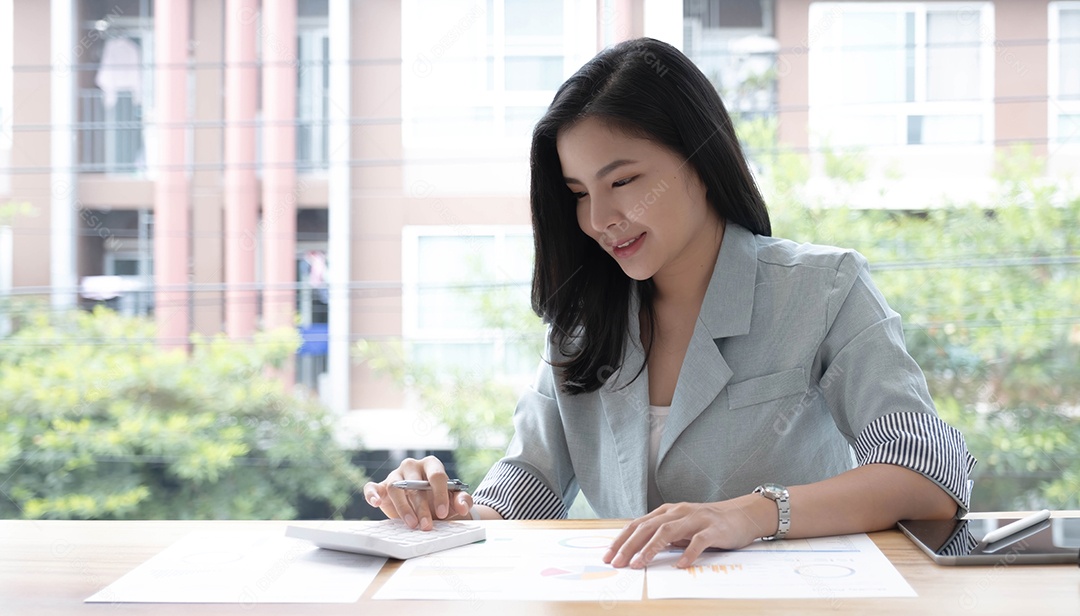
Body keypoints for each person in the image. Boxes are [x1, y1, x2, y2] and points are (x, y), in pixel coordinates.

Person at [363, 37, 975, 570]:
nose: (600, 219)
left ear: (700, 161)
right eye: (579, 193)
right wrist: (442, 509)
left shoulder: (823, 288)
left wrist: (752, 513)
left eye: (622, 181)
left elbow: (929, 478)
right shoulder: (583, 324)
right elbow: (528, 487)